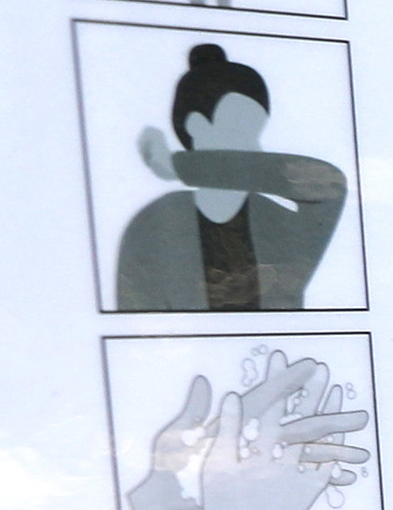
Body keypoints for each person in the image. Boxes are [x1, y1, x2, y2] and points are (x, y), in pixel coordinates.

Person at [112, 41, 348, 311]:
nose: (255, 150)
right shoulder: (154, 226)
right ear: (196, 126)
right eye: (240, 131)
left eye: (257, 133)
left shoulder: (278, 226)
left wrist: (178, 165)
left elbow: (328, 184)